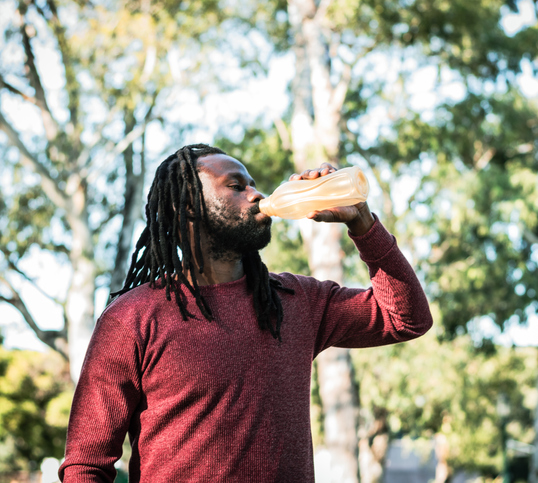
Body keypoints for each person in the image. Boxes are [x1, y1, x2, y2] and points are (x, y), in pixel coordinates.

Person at [59, 143, 432, 482]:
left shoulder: (296, 299)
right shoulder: (133, 318)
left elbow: (407, 318)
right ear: (187, 205)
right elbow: (86, 466)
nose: (257, 195)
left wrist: (362, 222)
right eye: (236, 186)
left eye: (253, 184)